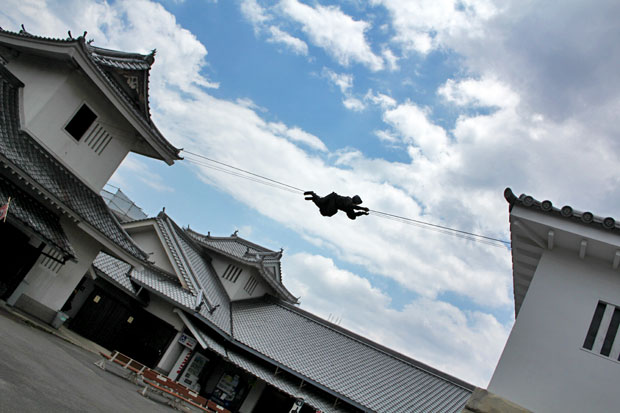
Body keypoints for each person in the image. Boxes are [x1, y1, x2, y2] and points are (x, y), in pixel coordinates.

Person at [304, 191, 369, 220]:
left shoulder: (349, 208)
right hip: (333, 198)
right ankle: (313, 194)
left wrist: (363, 213)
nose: (356, 205)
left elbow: (353, 215)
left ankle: (314, 197)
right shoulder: (348, 200)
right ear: (355, 201)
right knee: (327, 208)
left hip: (332, 202)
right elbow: (352, 207)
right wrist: (363, 208)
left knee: (323, 209)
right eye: (356, 204)